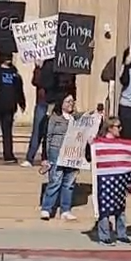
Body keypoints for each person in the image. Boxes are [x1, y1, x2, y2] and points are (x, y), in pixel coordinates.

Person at [39, 93, 80, 221]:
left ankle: (65, 210)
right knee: (55, 180)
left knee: (69, 182)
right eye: (68, 101)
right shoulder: (54, 118)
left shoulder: (76, 119)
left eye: (72, 101)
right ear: (61, 103)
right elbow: (47, 137)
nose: (70, 104)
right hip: (56, 151)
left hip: (72, 152)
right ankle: (46, 208)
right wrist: (45, 157)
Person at [95, 116, 131, 246]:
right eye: (118, 126)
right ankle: (104, 236)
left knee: (120, 208)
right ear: (110, 128)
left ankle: (121, 234)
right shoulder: (99, 142)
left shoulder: (121, 143)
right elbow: (89, 156)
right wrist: (90, 144)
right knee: (104, 208)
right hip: (105, 180)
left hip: (119, 180)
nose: (120, 129)